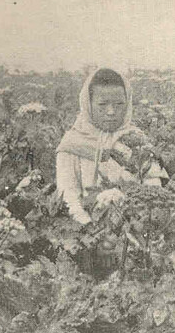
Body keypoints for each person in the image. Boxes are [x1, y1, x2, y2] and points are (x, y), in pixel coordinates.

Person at [55, 67, 138, 224]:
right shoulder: (72, 143)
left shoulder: (137, 140)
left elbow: (152, 189)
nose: (111, 112)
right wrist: (91, 230)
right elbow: (68, 196)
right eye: (102, 104)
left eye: (119, 104)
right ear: (88, 104)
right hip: (87, 230)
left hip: (134, 227)